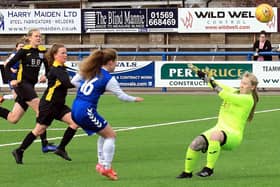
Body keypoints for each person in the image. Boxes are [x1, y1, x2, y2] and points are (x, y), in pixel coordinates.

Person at [71, 49, 144, 180]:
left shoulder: (91, 71)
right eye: (116, 62)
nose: (116, 65)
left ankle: (101, 164)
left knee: (103, 133)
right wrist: (135, 99)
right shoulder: (108, 79)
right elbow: (122, 96)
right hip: (86, 111)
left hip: (76, 107)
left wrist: (87, 90)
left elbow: (75, 81)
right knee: (111, 135)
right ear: (110, 62)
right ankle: (107, 167)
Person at [177, 64, 259, 178]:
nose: (242, 85)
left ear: (252, 87)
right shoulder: (235, 91)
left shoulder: (247, 100)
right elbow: (217, 85)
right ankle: (187, 172)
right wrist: (202, 75)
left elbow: (224, 94)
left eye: (245, 84)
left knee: (215, 135)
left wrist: (212, 83)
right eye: (241, 82)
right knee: (195, 143)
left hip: (233, 136)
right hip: (219, 129)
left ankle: (209, 169)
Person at [12, 43, 79, 164]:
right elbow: (67, 83)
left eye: (66, 52)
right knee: (38, 130)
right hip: (49, 105)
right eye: (62, 53)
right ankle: (19, 150)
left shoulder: (61, 68)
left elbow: (58, 79)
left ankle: (61, 148)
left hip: (58, 105)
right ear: (55, 55)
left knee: (75, 122)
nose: (65, 55)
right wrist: (87, 83)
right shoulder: (56, 68)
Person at [0, 29, 57, 153]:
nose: (39, 38)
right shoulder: (24, 51)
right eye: (36, 36)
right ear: (30, 38)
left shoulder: (42, 51)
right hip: (22, 85)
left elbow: (48, 68)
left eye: (40, 36)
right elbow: (7, 66)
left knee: (13, 118)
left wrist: (45, 76)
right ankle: (45, 144)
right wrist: (11, 80)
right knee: (41, 110)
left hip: (30, 86)